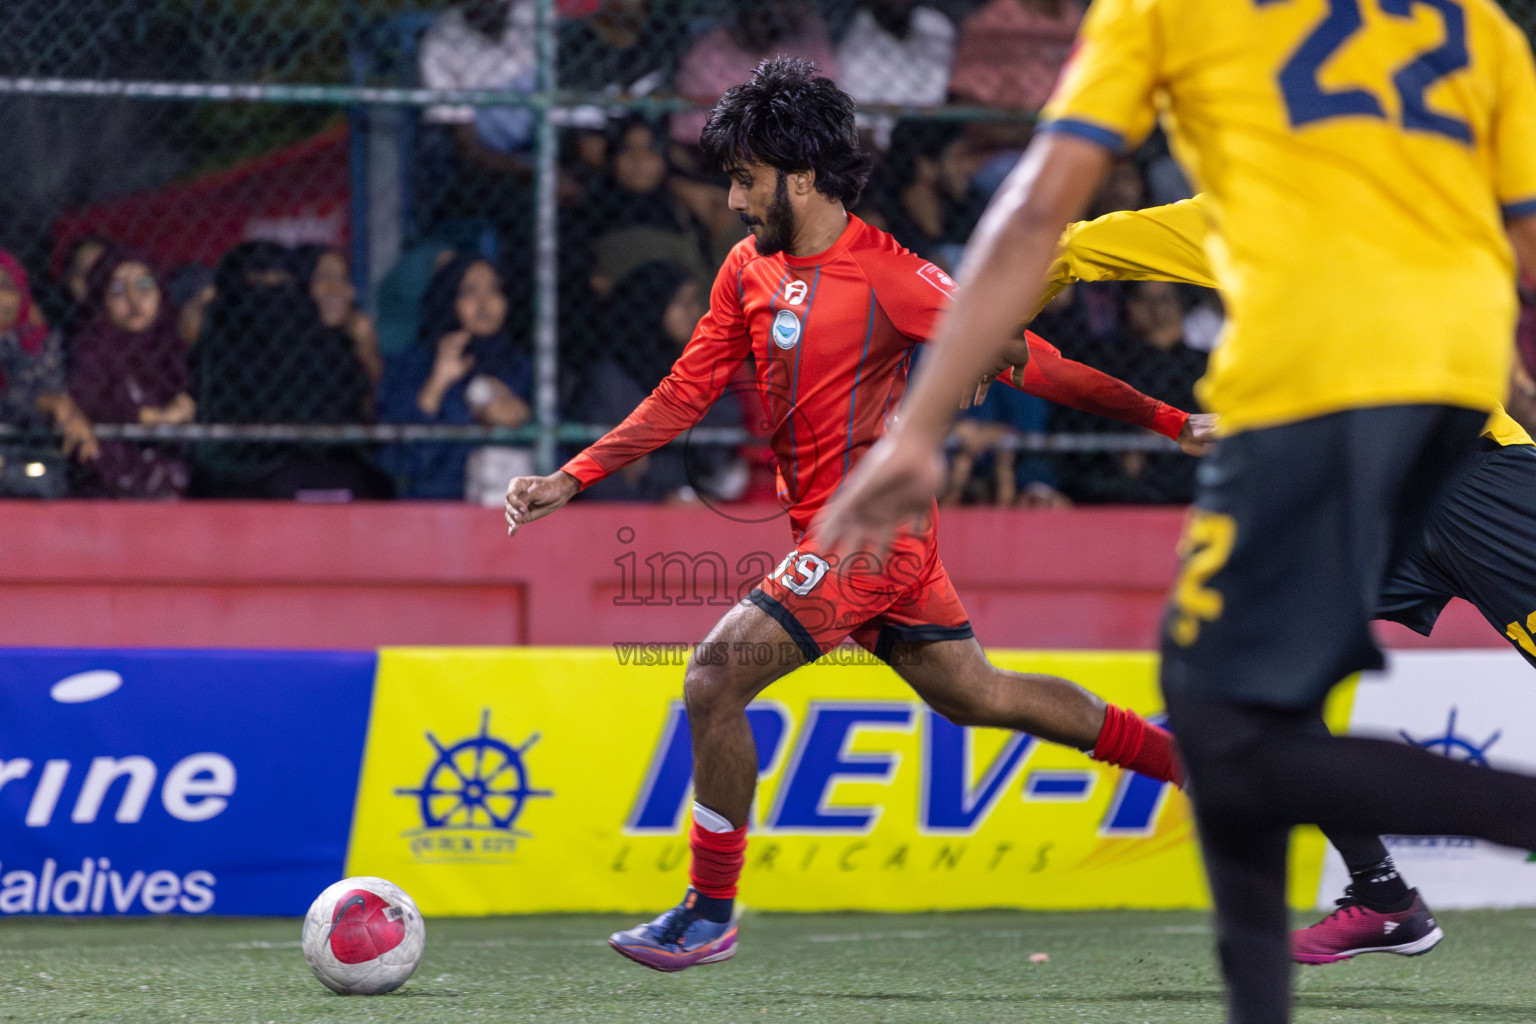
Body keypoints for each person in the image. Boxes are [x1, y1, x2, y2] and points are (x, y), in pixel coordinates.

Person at [815, 1, 1536, 1020]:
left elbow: (1039, 228)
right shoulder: (1476, 32)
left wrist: (927, 416)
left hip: (1354, 427)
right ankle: (1380, 895)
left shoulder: (1180, 29)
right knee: (1237, 712)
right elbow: (1518, 249)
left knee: (1229, 724)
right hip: (1454, 419)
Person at [504, 57, 1200, 974]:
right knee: (978, 696)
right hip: (826, 538)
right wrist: (572, 477)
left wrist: (1170, 420)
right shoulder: (746, 270)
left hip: (871, 539)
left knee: (714, 680)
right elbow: (682, 395)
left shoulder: (894, 277)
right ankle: (1191, 763)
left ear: (799, 176)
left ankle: (708, 910)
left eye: (746, 179)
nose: (734, 199)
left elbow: (1029, 358)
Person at [1043, 193, 1536, 964]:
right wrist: (986, 340)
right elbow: (1066, 247)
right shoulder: (1245, 209)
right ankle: (1382, 896)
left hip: (1468, 472)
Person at [575, 261, 745, 503]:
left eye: (695, 301)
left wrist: (651, 458)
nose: (694, 312)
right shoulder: (610, 378)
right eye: (681, 303)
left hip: (699, 500)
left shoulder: (703, 366)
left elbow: (720, 442)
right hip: (627, 511)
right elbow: (604, 467)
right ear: (651, 307)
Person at [380, 253, 533, 501]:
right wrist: (437, 384)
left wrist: (525, 421)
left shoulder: (523, 367)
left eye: (494, 290)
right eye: (469, 291)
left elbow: (562, 466)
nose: (484, 303)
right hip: (437, 511)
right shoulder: (414, 363)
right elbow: (401, 462)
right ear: (448, 298)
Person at [67, 247, 193, 498]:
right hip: (106, 480)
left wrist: (183, 406)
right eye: (117, 290)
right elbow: (89, 398)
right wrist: (137, 415)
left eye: (144, 286)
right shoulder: (89, 351)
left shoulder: (173, 348)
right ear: (100, 298)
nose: (134, 300)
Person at [0, 249, 97, 496]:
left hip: (27, 454)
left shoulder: (41, 342)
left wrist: (51, 403)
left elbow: (46, 389)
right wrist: (45, 401)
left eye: (5, 286)